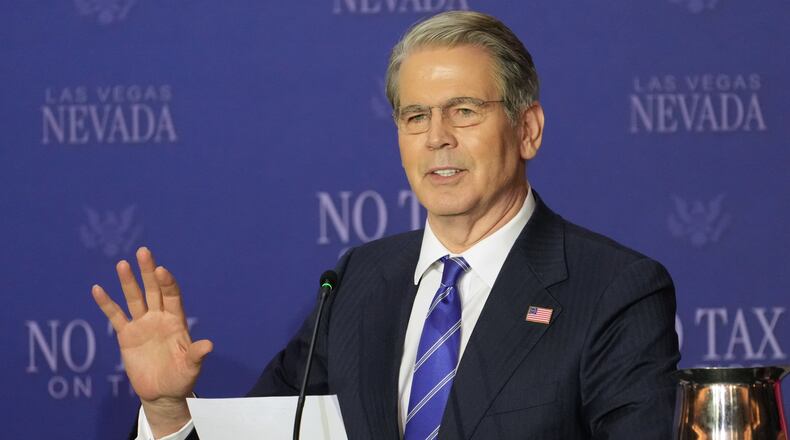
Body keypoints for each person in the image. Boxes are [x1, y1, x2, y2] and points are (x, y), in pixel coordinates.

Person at [92, 11, 680, 440]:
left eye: (465, 111)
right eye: (415, 115)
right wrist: (170, 410)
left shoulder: (614, 289)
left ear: (528, 130)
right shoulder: (356, 281)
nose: (437, 137)